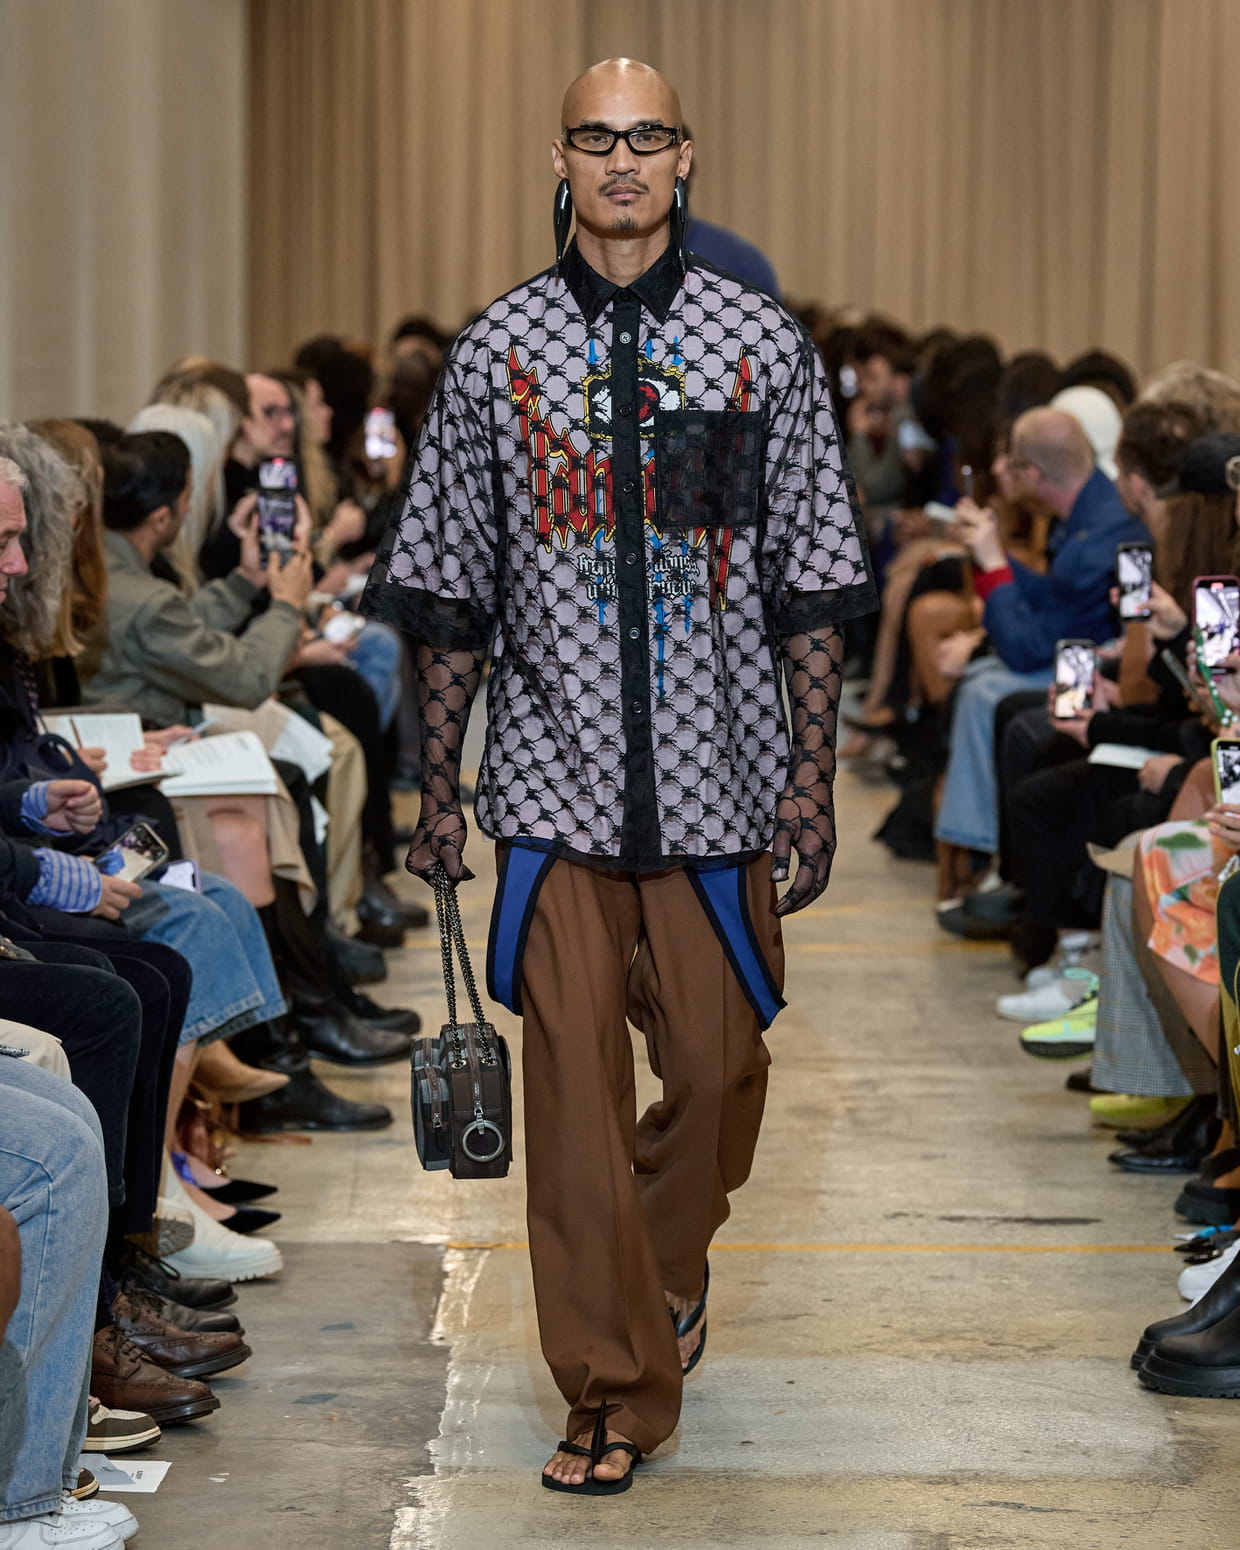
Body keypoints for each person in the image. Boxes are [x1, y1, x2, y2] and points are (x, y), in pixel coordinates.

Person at [362, 58, 874, 1492]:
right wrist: (438, 790)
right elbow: (449, 591)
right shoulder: (497, 353)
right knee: (573, 1103)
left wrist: (812, 779)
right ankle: (609, 1385)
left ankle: (661, 1267)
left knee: (720, 1071)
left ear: (685, 155)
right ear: (562, 158)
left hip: (722, 786)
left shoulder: (759, 346)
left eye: (648, 136)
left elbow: (814, 580)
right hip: (553, 786)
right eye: (598, 138)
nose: (624, 160)